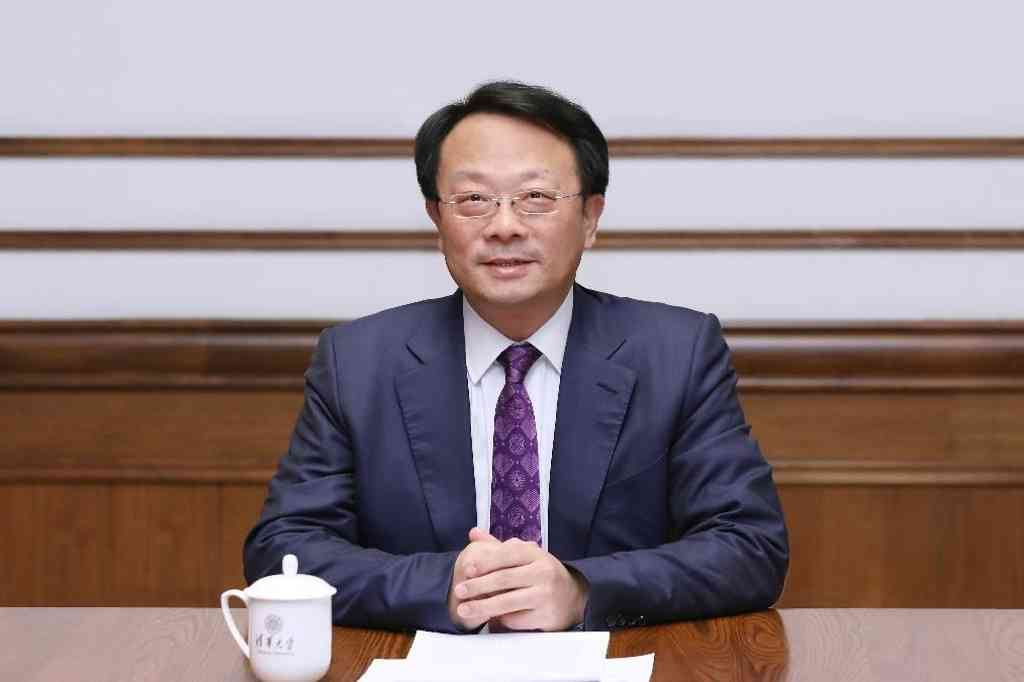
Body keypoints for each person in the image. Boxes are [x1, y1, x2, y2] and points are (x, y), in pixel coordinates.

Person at [244, 81, 788, 633]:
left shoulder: (677, 353)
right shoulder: (358, 362)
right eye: (473, 200)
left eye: (536, 198)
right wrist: (445, 588)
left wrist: (582, 591)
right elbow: (284, 549)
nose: (504, 226)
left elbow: (750, 546)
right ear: (437, 219)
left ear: (590, 218)